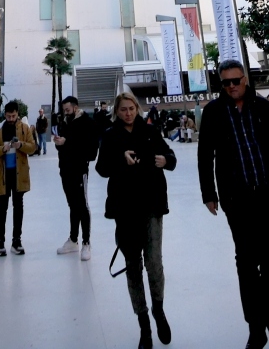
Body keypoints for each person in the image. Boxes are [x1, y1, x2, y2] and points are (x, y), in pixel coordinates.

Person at [198, 60, 269, 349]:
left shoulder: (264, 109)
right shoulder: (213, 112)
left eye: (236, 80)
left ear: (245, 79)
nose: (232, 86)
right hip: (237, 200)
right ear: (221, 84)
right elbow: (205, 155)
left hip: (267, 195)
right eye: (226, 82)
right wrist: (209, 193)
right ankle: (256, 329)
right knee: (246, 265)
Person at [97, 91, 177, 349]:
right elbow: (101, 168)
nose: (128, 113)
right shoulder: (110, 135)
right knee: (133, 266)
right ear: (117, 111)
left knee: (154, 262)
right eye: (123, 109)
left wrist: (165, 160)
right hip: (125, 209)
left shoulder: (150, 131)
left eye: (131, 108)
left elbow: (170, 157)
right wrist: (120, 159)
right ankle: (144, 324)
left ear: (137, 108)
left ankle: (159, 310)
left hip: (152, 205)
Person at [0, 101, 35, 256]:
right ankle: (0, 242)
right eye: (8, 116)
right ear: (5, 115)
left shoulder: (24, 128)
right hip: (3, 175)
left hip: (19, 174)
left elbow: (32, 147)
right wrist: (3, 148)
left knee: (18, 206)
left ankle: (16, 241)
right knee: (2, 208)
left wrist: (20, 145)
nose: (11, 119)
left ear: (17, 114)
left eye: (13, 116)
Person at [53, 95, 98, 260]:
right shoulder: (65, 123)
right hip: (65, 170)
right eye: (64, 110)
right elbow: (63, 147)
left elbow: (91, 152)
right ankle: (73, 240)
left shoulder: (87, 123)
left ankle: (86, 242)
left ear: (75, 107)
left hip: (79, 170)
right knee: (72, 205)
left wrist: (67, 142)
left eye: (68, 109)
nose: (66, 112)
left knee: (82, 205)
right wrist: (59, 143)